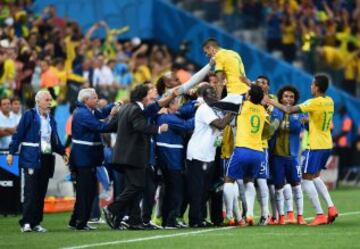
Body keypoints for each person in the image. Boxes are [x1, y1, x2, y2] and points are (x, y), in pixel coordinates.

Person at [266, 74, 339, 225]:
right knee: (316, 177)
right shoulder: (329, 101)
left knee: (306, 180)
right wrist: (306, 120)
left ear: (317, 87)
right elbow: (315, 118)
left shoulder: (313, 102)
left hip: (316, 146)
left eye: (312, 85)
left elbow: (289, 110)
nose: (311, 87)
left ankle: (319, 214)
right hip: (327, 144)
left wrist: (272, 102)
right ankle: (331, 208)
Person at [103, 84, 169, 230]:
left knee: (136, 187)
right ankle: (112, 209)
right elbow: (140, 126)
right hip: (133, 156)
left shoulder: (127, 108)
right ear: (143, 96)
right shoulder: (136, 109)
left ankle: (134, 220)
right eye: (150, 93)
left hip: (125, 155)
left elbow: (112, 126)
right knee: (137, 185)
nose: (153, 96)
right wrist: (159, 129)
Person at [6, 90, 68, 232]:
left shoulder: (51, 119)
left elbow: (55, 139)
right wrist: (11, 152)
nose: (49, 103)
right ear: (38, 101)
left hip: (46, 158)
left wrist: (63, 152)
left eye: (50, 100)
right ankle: (26, 222)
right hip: (31, 158)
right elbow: (18, 135)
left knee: (41, 192)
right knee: (31, 192)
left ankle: (36, 222)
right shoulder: (29, 115)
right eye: (47, 100)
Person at [68, 88, 118, 230]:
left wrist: (113, 104)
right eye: (94, 98)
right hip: (83, 157)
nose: (97, 100)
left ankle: (76, 221)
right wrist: (113, 117)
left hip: (87, 157)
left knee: (87, 190)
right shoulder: (83, 114)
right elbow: (101, 126)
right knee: (86, 191)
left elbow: (102, 113)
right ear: (86, 100)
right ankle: (80, 222)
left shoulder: (88, 111)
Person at [186, 84, 233, 227]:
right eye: (211, 93)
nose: (215, 94)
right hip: (198, 154)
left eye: (214, 92)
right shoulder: (204, 109)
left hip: (209, 154)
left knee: (205, 190)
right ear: (203, 96)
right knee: (197, 190)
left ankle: (200, 218)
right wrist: (233, 111)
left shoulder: (214, 109)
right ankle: (194, 220)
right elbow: (220, 124)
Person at [224, 84, 268, 226]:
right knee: (249, 181)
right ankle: (249, 213)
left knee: (229, 180)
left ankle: (230, 215)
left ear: (248, 96)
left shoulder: (242, 106)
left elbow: (226, 103)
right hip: (258, 152)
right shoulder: (262, 110)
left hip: (242, 149)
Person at [270, 85, 306, 225]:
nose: (288, 99)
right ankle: (281, 217)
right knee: (278, 186)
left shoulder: (299, 113)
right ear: (281, 97)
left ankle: (300, 216)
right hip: (277, 156)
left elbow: (298, 127)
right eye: (286, 96)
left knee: (296, 185)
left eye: (291, 97)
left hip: (292, 156)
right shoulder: (275, 112)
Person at [202, 38, 249, 111]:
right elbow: (233, 72)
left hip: (235, 94)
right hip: (247, 92)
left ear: (211, 48)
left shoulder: (218, 56)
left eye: (206, 52)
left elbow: (220, 83)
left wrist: (216, 101)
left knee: (212, 109)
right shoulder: (234, 53)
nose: (206, 55)